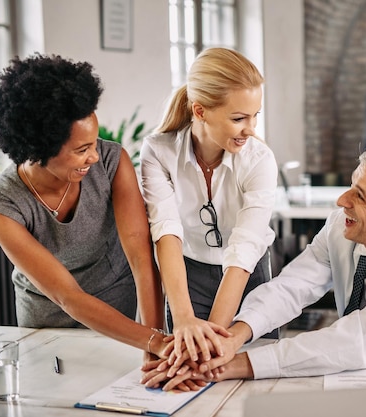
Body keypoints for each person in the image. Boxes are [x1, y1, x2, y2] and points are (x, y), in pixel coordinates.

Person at [141, 146, 366, 390]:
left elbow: (354, 340)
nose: (342, 201)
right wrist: (231, 340)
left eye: (360, 196)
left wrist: (232, 366)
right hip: (355, 376)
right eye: (351, 185)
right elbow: (292, 286)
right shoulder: (342, 226)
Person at [0, 53, 170, 359]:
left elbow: (140, 254)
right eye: (82, 150)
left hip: (120, 320)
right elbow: (67, 296)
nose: (94, 156)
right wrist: (154, 342)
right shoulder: (2, 206)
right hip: (46, 329)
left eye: (94, 143)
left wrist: (154, 337)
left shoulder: (112, 162)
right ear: (39, 149)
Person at [140, 47, 278, 363]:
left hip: (248, 275)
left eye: (256, 115)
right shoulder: (159, 152)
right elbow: (166, 232)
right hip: (187, 277)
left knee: (248, 369)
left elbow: (245, 248)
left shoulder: (259, 161)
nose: (251, 129)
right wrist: (185, 319)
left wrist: (211, 340)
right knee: (188, 368)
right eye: (239, 118)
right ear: (200, 111)